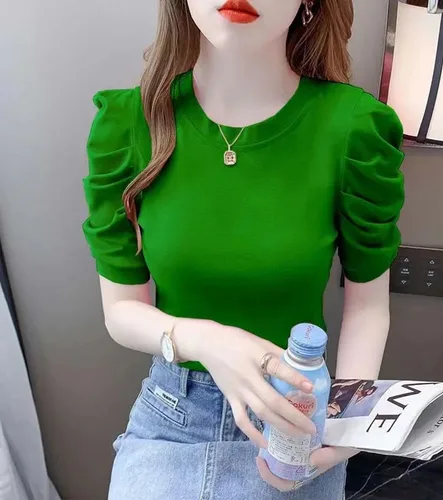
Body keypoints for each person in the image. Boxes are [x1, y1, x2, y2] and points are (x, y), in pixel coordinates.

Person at [82, 0, 405, 498]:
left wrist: (344, 427)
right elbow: (121, 311)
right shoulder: (128, 124)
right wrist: (209, 341)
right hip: (172, 418)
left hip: (296, 415)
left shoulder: (354, 129)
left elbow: (367, 308)